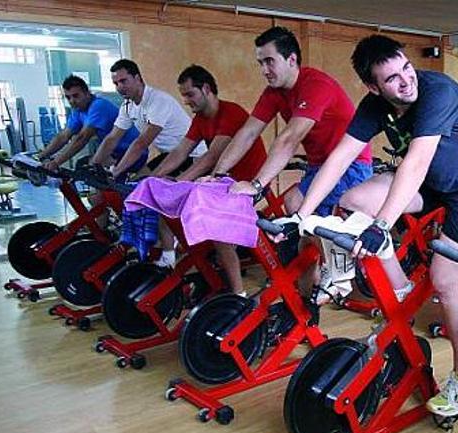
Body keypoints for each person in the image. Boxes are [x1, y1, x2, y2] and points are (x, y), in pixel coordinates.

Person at [282, 34, 458, 417]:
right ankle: (401, 291)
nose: (406, 81)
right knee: (353, 201)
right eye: (392, 79)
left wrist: (382, 224)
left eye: (406, 68)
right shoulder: (373, 107)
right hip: (433, 183)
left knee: (445, 280)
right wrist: (301, 215)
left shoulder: (437, 92)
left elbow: (416, 161)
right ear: (373, 87)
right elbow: (339, 158)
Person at [211, 26, 372, 293]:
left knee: (296, 206)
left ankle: (339, 266)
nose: (264, 70)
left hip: (351, 164)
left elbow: (289, 138)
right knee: (301, 230)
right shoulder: (273, 93)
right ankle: (307, 298)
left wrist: (257, 185)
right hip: (319, 167)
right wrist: (218, 173)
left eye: (269, 61)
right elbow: (248, 132)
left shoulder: (316, 84)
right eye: (260, 63)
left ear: (292, 60)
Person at [151, 64, 267, 295]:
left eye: (189, 94)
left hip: (249, 185)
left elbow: (213, 156)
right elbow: (180, 152)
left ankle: (238, 295)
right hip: (220, 182)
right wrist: (155, 179)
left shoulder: (231, 113)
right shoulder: (200, 118)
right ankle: (168, 259)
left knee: (219, 232)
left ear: (206, 89)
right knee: (165, 202)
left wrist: (180, 182)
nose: (186, 100)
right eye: (183, 95)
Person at [92, 59, 207, 267]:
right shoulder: (128, 107)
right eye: (116, 83)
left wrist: (115, 171)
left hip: (192, 155)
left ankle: (169, 255)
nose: (120, 87)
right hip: (170, 155)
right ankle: (149, 241)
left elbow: (141, 142)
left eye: (124, 81)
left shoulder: (157, 101)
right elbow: (112, 138)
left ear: (138, 78)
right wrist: (95, 164)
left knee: (153, 192)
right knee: (138, 186)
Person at [36, 75, 144, 172]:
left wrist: (55, 163)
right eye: (68, 97)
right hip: (114, 153)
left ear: (87, 93)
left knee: (87, 168)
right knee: (84, 167)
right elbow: (63, 136)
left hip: (133, 154)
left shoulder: (99, 106)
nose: (72, 101)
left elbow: (82, 138)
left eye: (76, 96)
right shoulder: (78, 110)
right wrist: (40, 157)